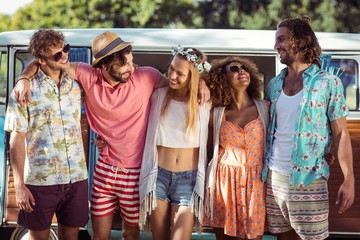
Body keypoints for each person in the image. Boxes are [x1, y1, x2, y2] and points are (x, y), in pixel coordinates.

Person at [14, 31, 210, 240]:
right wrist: (24, 77)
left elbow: (177, 84)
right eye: (124, 64)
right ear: (104, 66)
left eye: (131, 61)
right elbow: (48, 62)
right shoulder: (86, 75)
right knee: (99, 235)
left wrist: (201, 82)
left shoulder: (147, 76)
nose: (131, 68)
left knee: (131, 233)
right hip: (104, 171)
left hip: (135, 174)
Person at [263, 16, 355, 240]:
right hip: (273, 178)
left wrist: (348, 178)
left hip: (309, 179)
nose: (276, 46)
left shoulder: (327, 82)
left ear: (301, 40)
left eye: (282, 39)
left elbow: (341, 133)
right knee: (283, 237)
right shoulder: (274, 85)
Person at [4, 29, 88, 240]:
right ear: (40, 59)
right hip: (41, 181)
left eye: (66, 49)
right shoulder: (24, 90)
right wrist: (20, 185)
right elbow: (17, 137)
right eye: (58, 55)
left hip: (76, 178)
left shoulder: (76, 85)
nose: (65, 56)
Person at [138, 46, 211, 240]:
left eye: (180, 73)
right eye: (171, 69)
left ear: (193, 77)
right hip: (158, 176)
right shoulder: (158, 96)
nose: (172, 75)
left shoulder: (204, 103)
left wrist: (202, 83)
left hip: (188, 180)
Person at [203, 56, 269, 240]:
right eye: (234, 69)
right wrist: (202, 83)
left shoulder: (266, 108)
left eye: (244, 68)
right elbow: (208, 151)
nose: (241, 71)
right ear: (222, 79)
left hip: (256, 183)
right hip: (223, 184)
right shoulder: (216, 113)